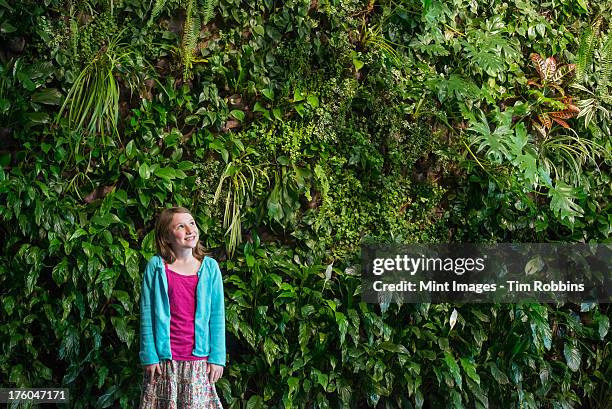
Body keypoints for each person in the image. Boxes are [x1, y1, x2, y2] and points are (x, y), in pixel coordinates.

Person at [139, 206, 226, 408]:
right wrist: (150, 356)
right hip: (163, 363)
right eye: (180, 226)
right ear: (167, 236)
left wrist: (217, 358)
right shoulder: (156, 267)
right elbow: (146, 314)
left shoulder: (210, 268)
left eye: (192, 223)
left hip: (199, 362)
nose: (190, 229)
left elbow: (217, 316)